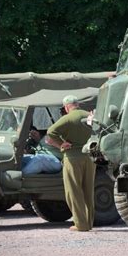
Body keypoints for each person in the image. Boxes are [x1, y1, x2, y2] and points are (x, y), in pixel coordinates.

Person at [46, 95, 96, 232]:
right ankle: (89, 222)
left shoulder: (67, 118)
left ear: (67, 107)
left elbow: (50, 132)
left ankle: (80, 224)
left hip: (73, 158)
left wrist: (61, 144)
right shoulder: (89, 115)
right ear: (77, 104)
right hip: (90, 157)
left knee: (73, 191)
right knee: (88, 191)